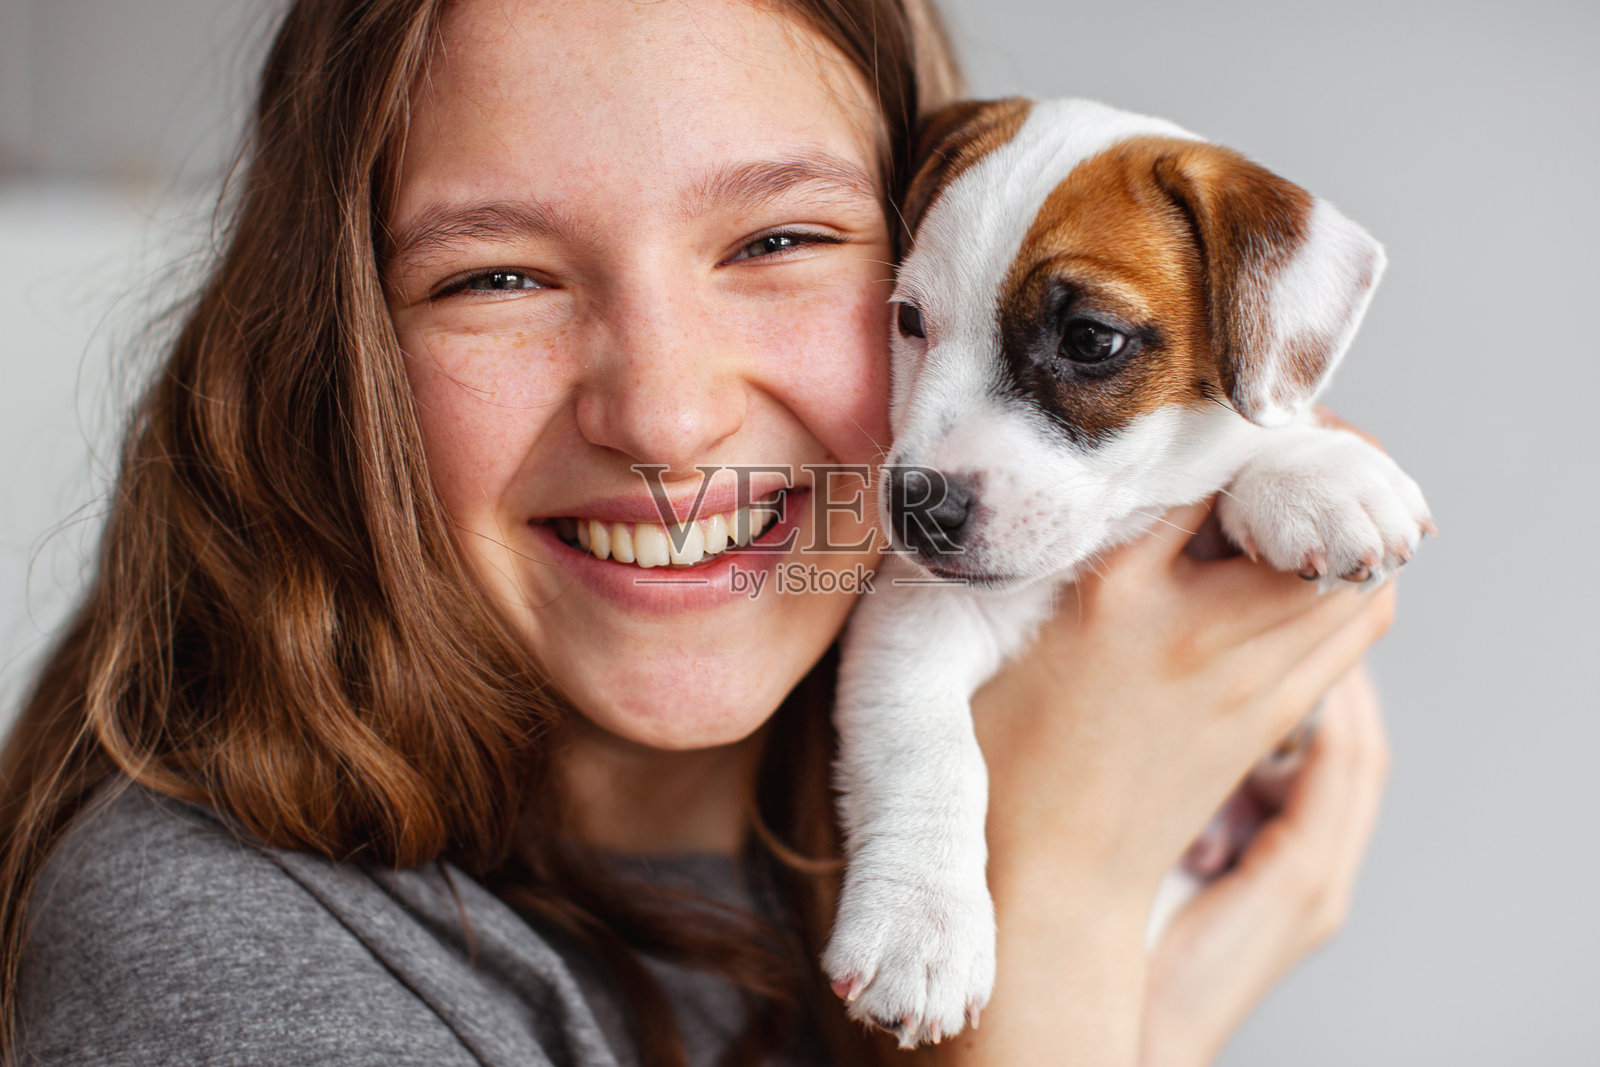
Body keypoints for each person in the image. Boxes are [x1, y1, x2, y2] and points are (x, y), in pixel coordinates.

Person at [0, 0, 1395, 1064]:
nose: (666, 421)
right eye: (496, 276)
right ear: (329, 356)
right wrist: (1071, 922)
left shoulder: (821, 806)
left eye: (779, 242)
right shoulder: (224, 959)